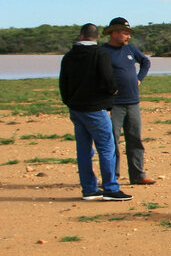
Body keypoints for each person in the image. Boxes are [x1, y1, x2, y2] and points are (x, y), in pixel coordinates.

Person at [58, 23, 131, 201]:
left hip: (76, 108)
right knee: (107, 147)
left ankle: (89, 189)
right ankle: (111, 188)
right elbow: (108, 80)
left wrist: (69, 101)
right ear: (97, 37)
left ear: (81, 36)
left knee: (83, 150)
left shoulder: (69, 56)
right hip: (95, 108)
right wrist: (111, 93)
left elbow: (63, 83)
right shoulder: (100, 54)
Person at [101, 17, 155, 186]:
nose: (128, 37)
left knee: (135, 140)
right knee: (112, 142)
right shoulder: (102, 52)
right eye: (125, 33)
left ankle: (138, 175)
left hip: (133, 102)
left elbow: (146, 62)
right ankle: (112, 178)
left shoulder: (130, 49)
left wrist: (139, 79)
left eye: (128, 33)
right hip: (113, 104)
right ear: (114, 33)